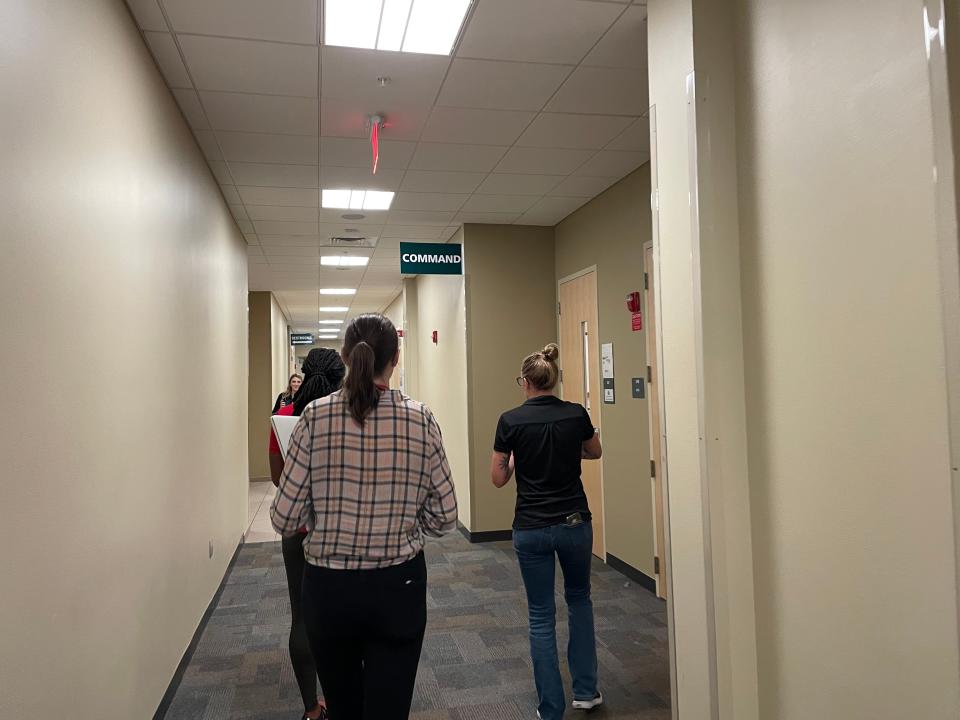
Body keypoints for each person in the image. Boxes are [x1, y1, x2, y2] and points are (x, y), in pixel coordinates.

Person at [271, 313, 458, 720]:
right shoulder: (420, 419)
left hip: (328, 590)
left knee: (344, 706)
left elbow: (284, 518)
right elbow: (445, 517)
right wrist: (406, 526)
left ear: (346, 356)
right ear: (396, 359)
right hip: (398, 586)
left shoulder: (313, 418)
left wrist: (320, 514)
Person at [490, 343, 604, 720]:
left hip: (532, 527)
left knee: (541, 616)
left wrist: (517, 458)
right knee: (579, 601)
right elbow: (594, 451)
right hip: (574, 523)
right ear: (554, 379)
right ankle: (586, 692)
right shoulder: (576, 414)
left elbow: (498, 479)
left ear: (525, 382)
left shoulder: (510, 421)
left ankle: (551, 708)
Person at [268, 349, 345, 720]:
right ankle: (340, 698)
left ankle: (312, 709)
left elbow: (277, 479)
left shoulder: (283, 417)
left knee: (302, 617)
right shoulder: (345, 417)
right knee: (342, 616)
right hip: (340, 528)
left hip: (298, 527)